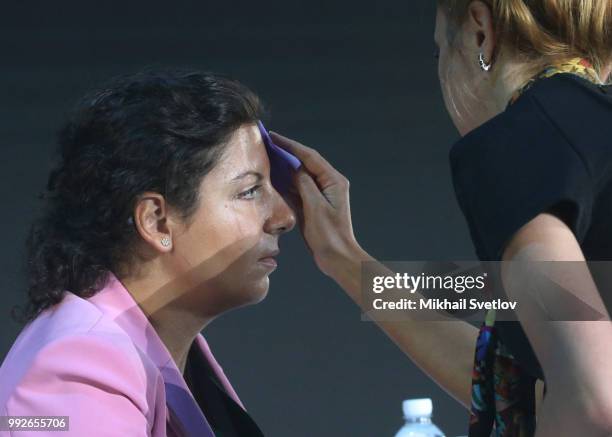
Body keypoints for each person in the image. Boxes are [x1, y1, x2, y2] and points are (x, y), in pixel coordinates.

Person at [269, 1, 612, 436]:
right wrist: (345, 260)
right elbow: (525, 389)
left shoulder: (524, 136)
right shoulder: (587, 133)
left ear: (480, 30)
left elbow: (594, 399)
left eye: (439, 53)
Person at [0, 70, 296, 436]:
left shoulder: (178, 359)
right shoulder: (80, 367)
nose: (285, 216)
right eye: (249, 191)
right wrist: (349, 263)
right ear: (157, 221)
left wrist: (346, 259)